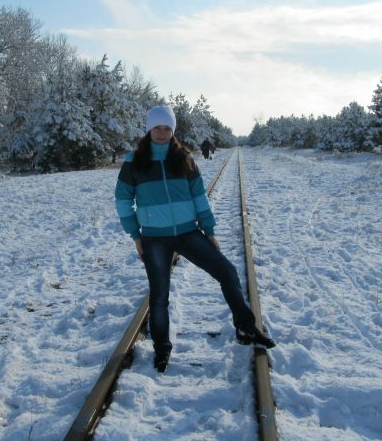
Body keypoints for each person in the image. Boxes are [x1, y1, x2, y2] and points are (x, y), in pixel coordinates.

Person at [114, 105, 275, 373]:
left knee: (228, 272)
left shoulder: (184, 158)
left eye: (167, 128)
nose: (163, 133)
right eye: (157, 128)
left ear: (173, 130)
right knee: (159, 296)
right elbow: (122, 200)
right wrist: (135, 235)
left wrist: (209, 230)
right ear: (149, 130)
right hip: (154, 238)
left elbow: (199, 196)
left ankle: (246, 329)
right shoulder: (135, 161)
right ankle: (162, 349)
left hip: (189, 233)